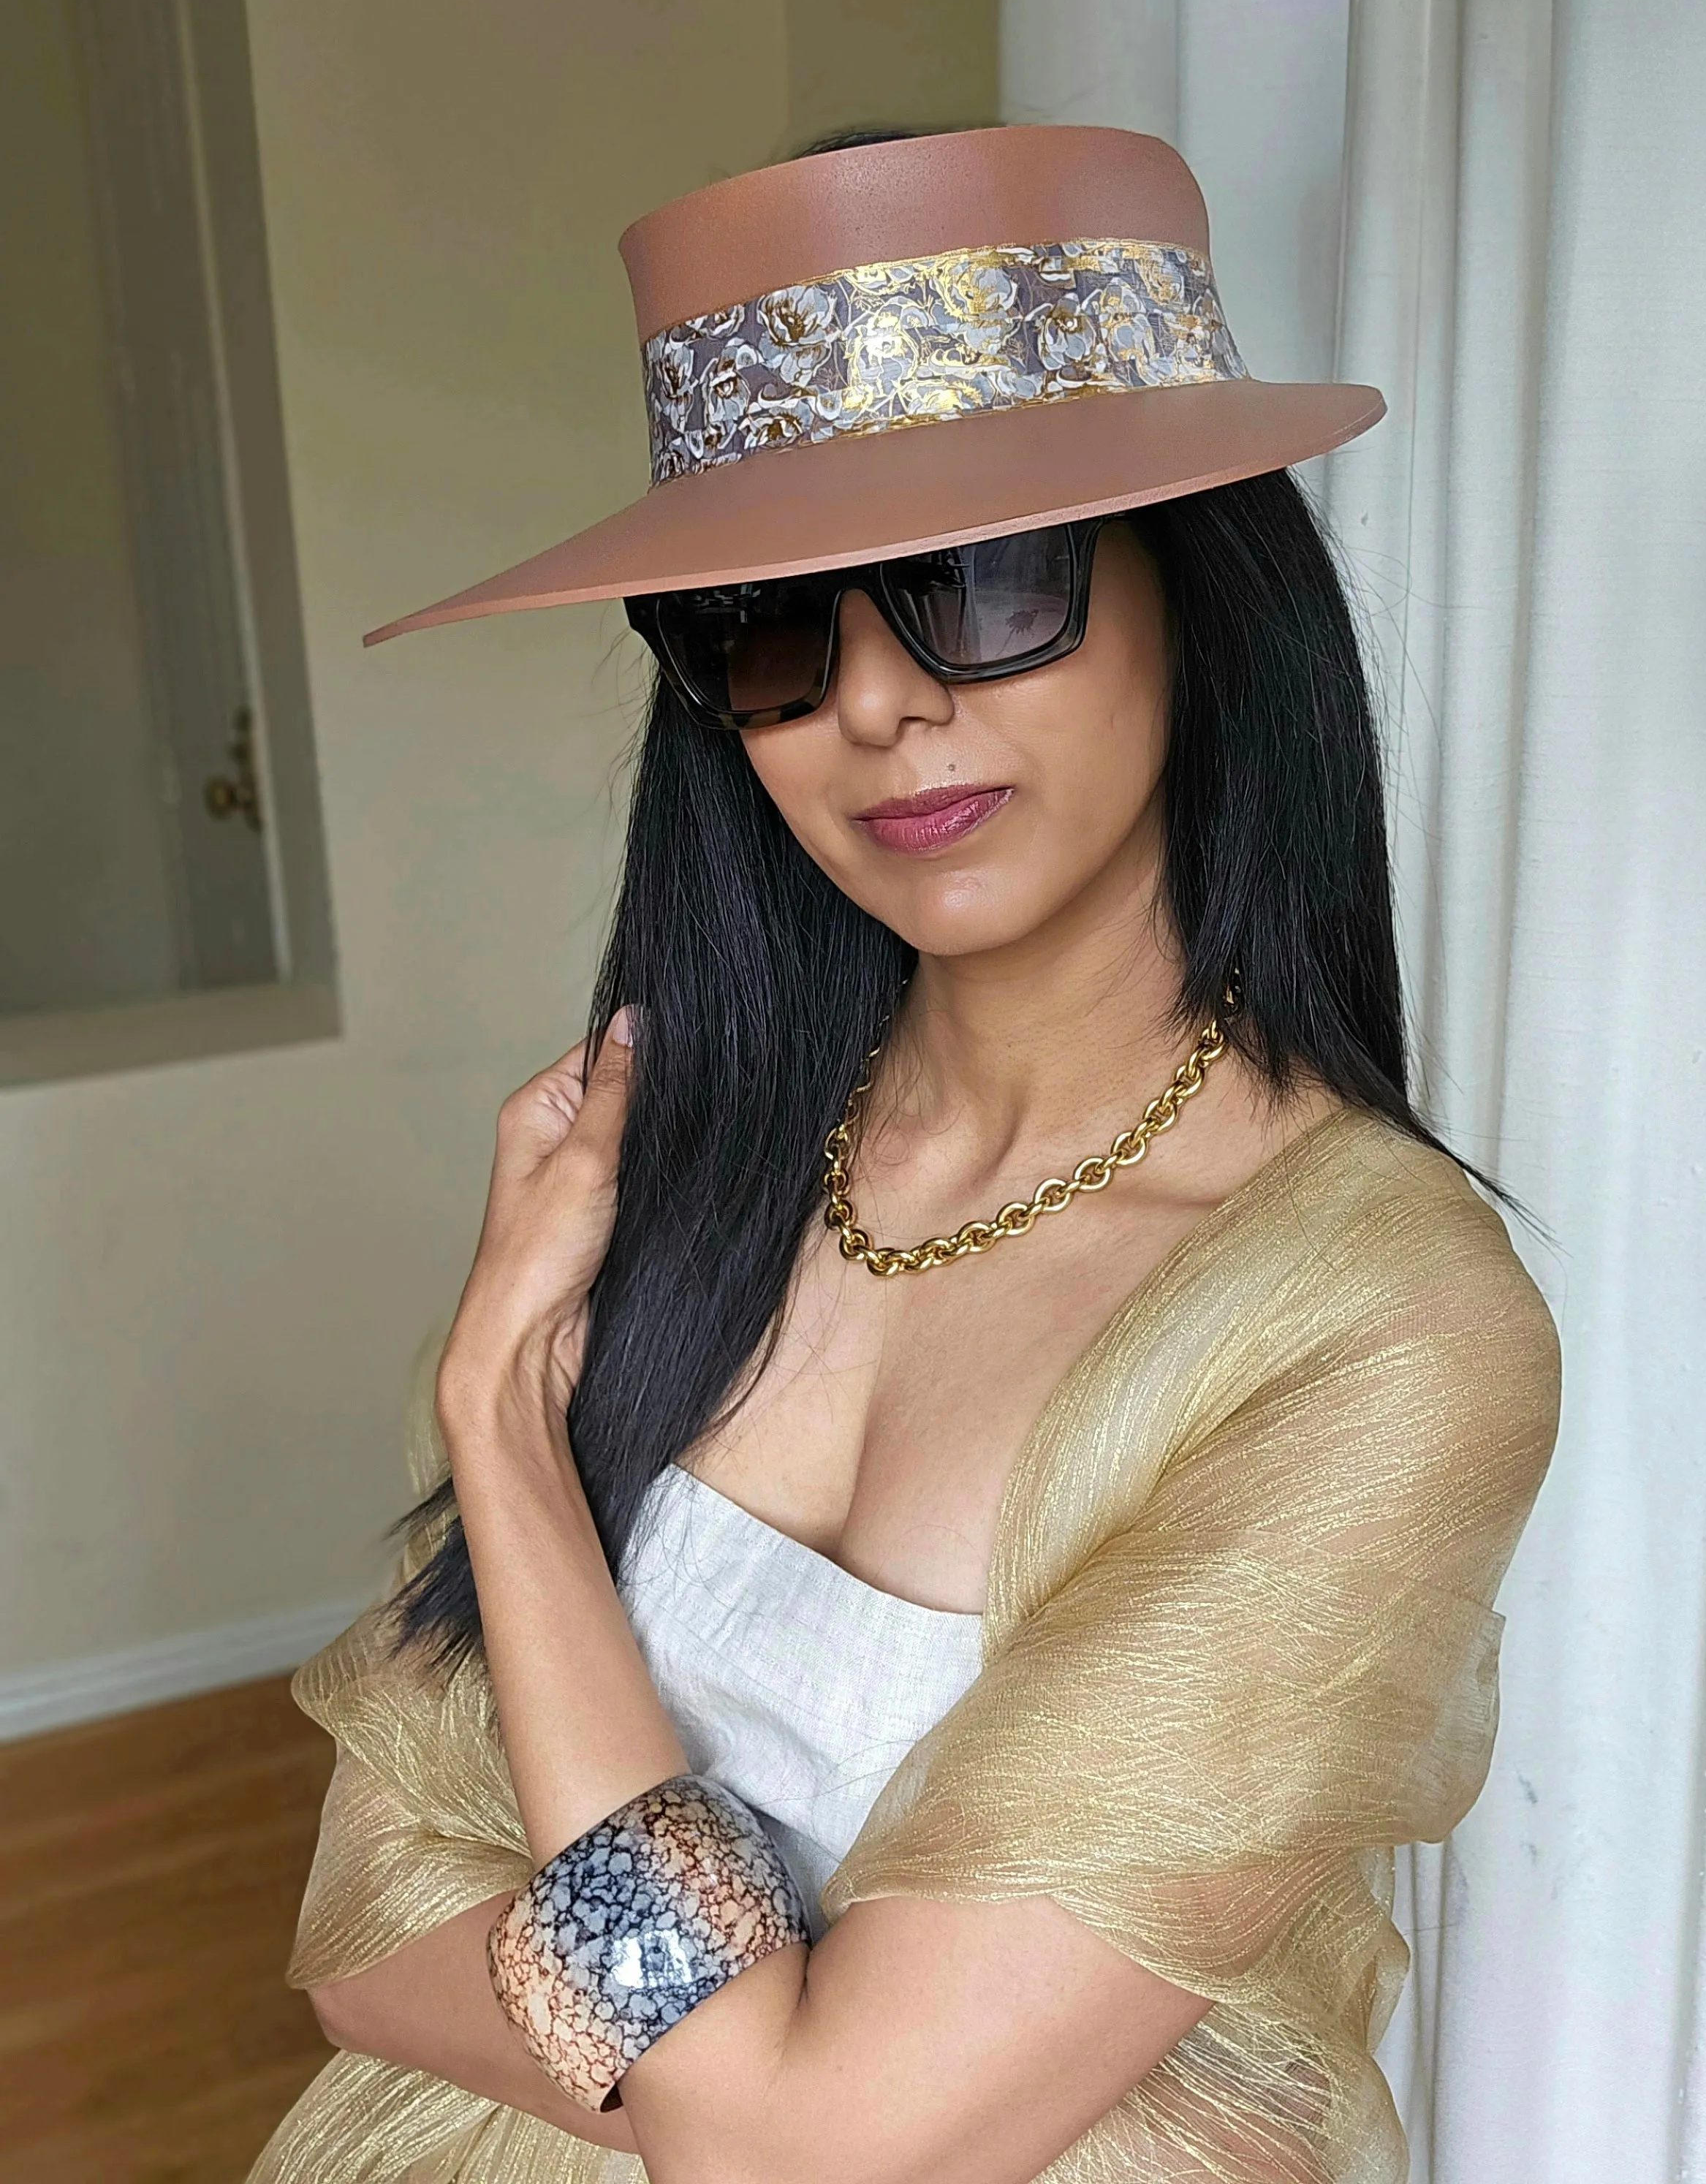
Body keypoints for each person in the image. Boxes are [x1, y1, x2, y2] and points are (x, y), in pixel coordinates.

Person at [252, 125, 1559, 2184]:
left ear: (1199, 588)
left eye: (978, 583)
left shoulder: (1386, 1333)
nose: (869, 700)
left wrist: (503, 1421)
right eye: (768, 627)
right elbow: (360, 1922)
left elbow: (811, 2155)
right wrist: (747, 2061)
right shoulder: (685, 1154)